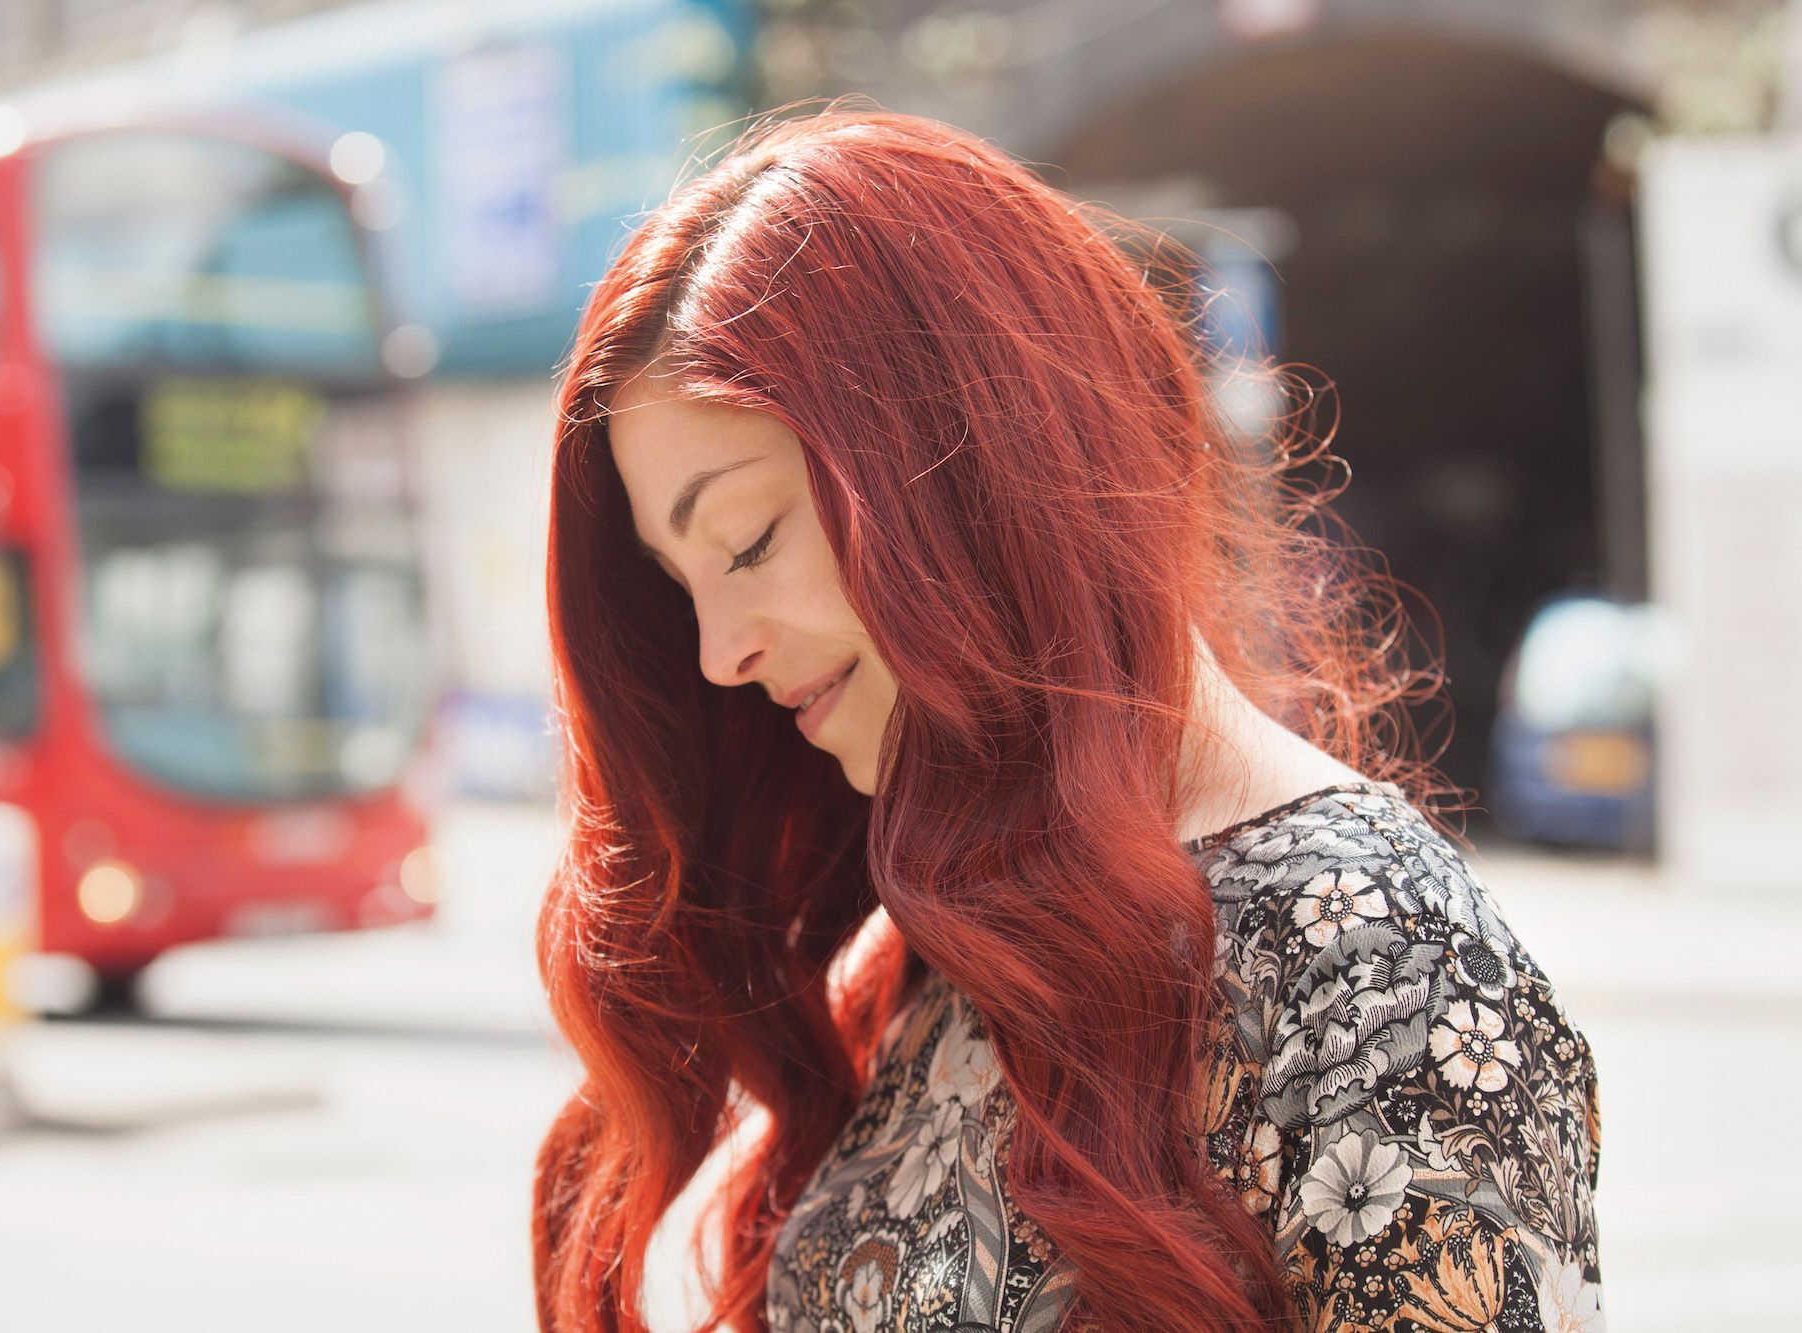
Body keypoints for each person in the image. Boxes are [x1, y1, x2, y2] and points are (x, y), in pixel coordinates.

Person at [531, 105, 1604, 1333]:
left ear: (971, 453)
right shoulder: (938, 934)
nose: (720, 655)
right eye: (682, 593)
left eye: (747, 541)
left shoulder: (1381, 969)